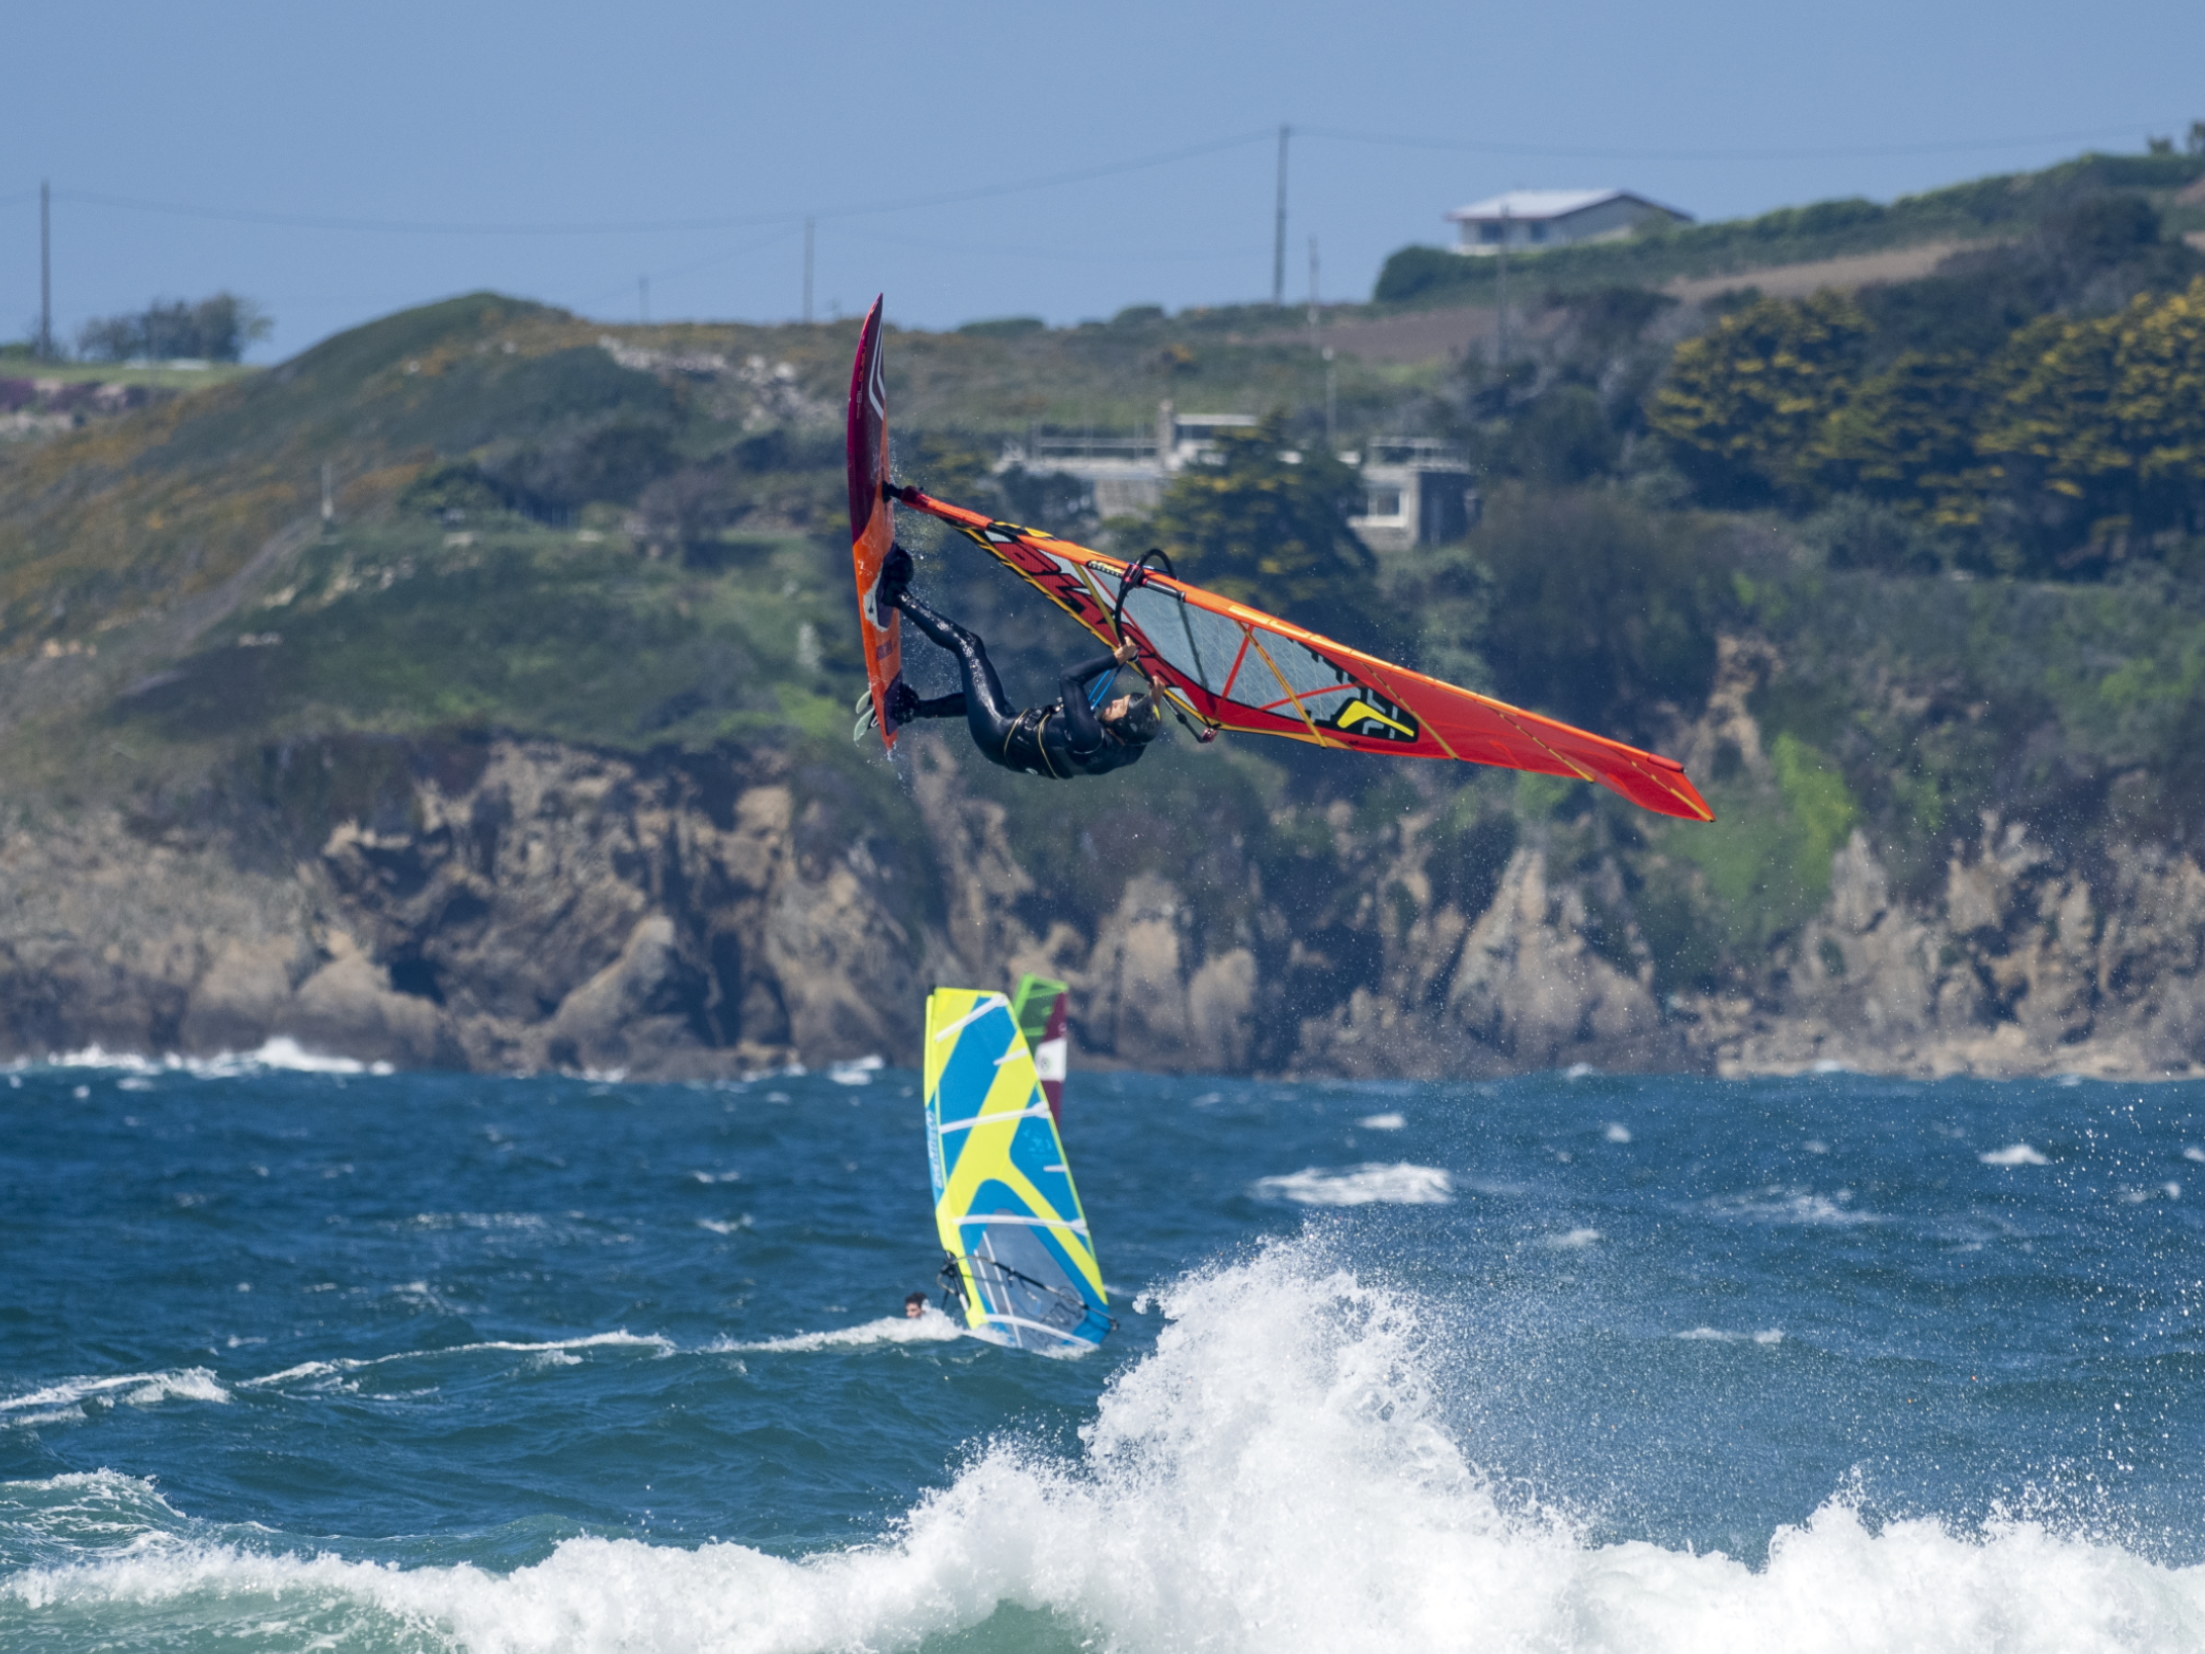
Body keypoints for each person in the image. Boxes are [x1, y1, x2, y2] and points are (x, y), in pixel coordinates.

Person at [874, 546, 1161, 780]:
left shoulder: (1090, 738)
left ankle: (896, 594)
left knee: (969, 645)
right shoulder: (1125, 751)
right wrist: (1155, 698)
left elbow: (1070, 678)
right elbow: (1141, 737)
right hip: (1004, 740)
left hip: (999, 731)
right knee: (977, 699)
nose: (1112, 703)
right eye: (1120, 701)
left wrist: (1116, 658)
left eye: (1118, 708)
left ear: (1123, 726)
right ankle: (911, 709)